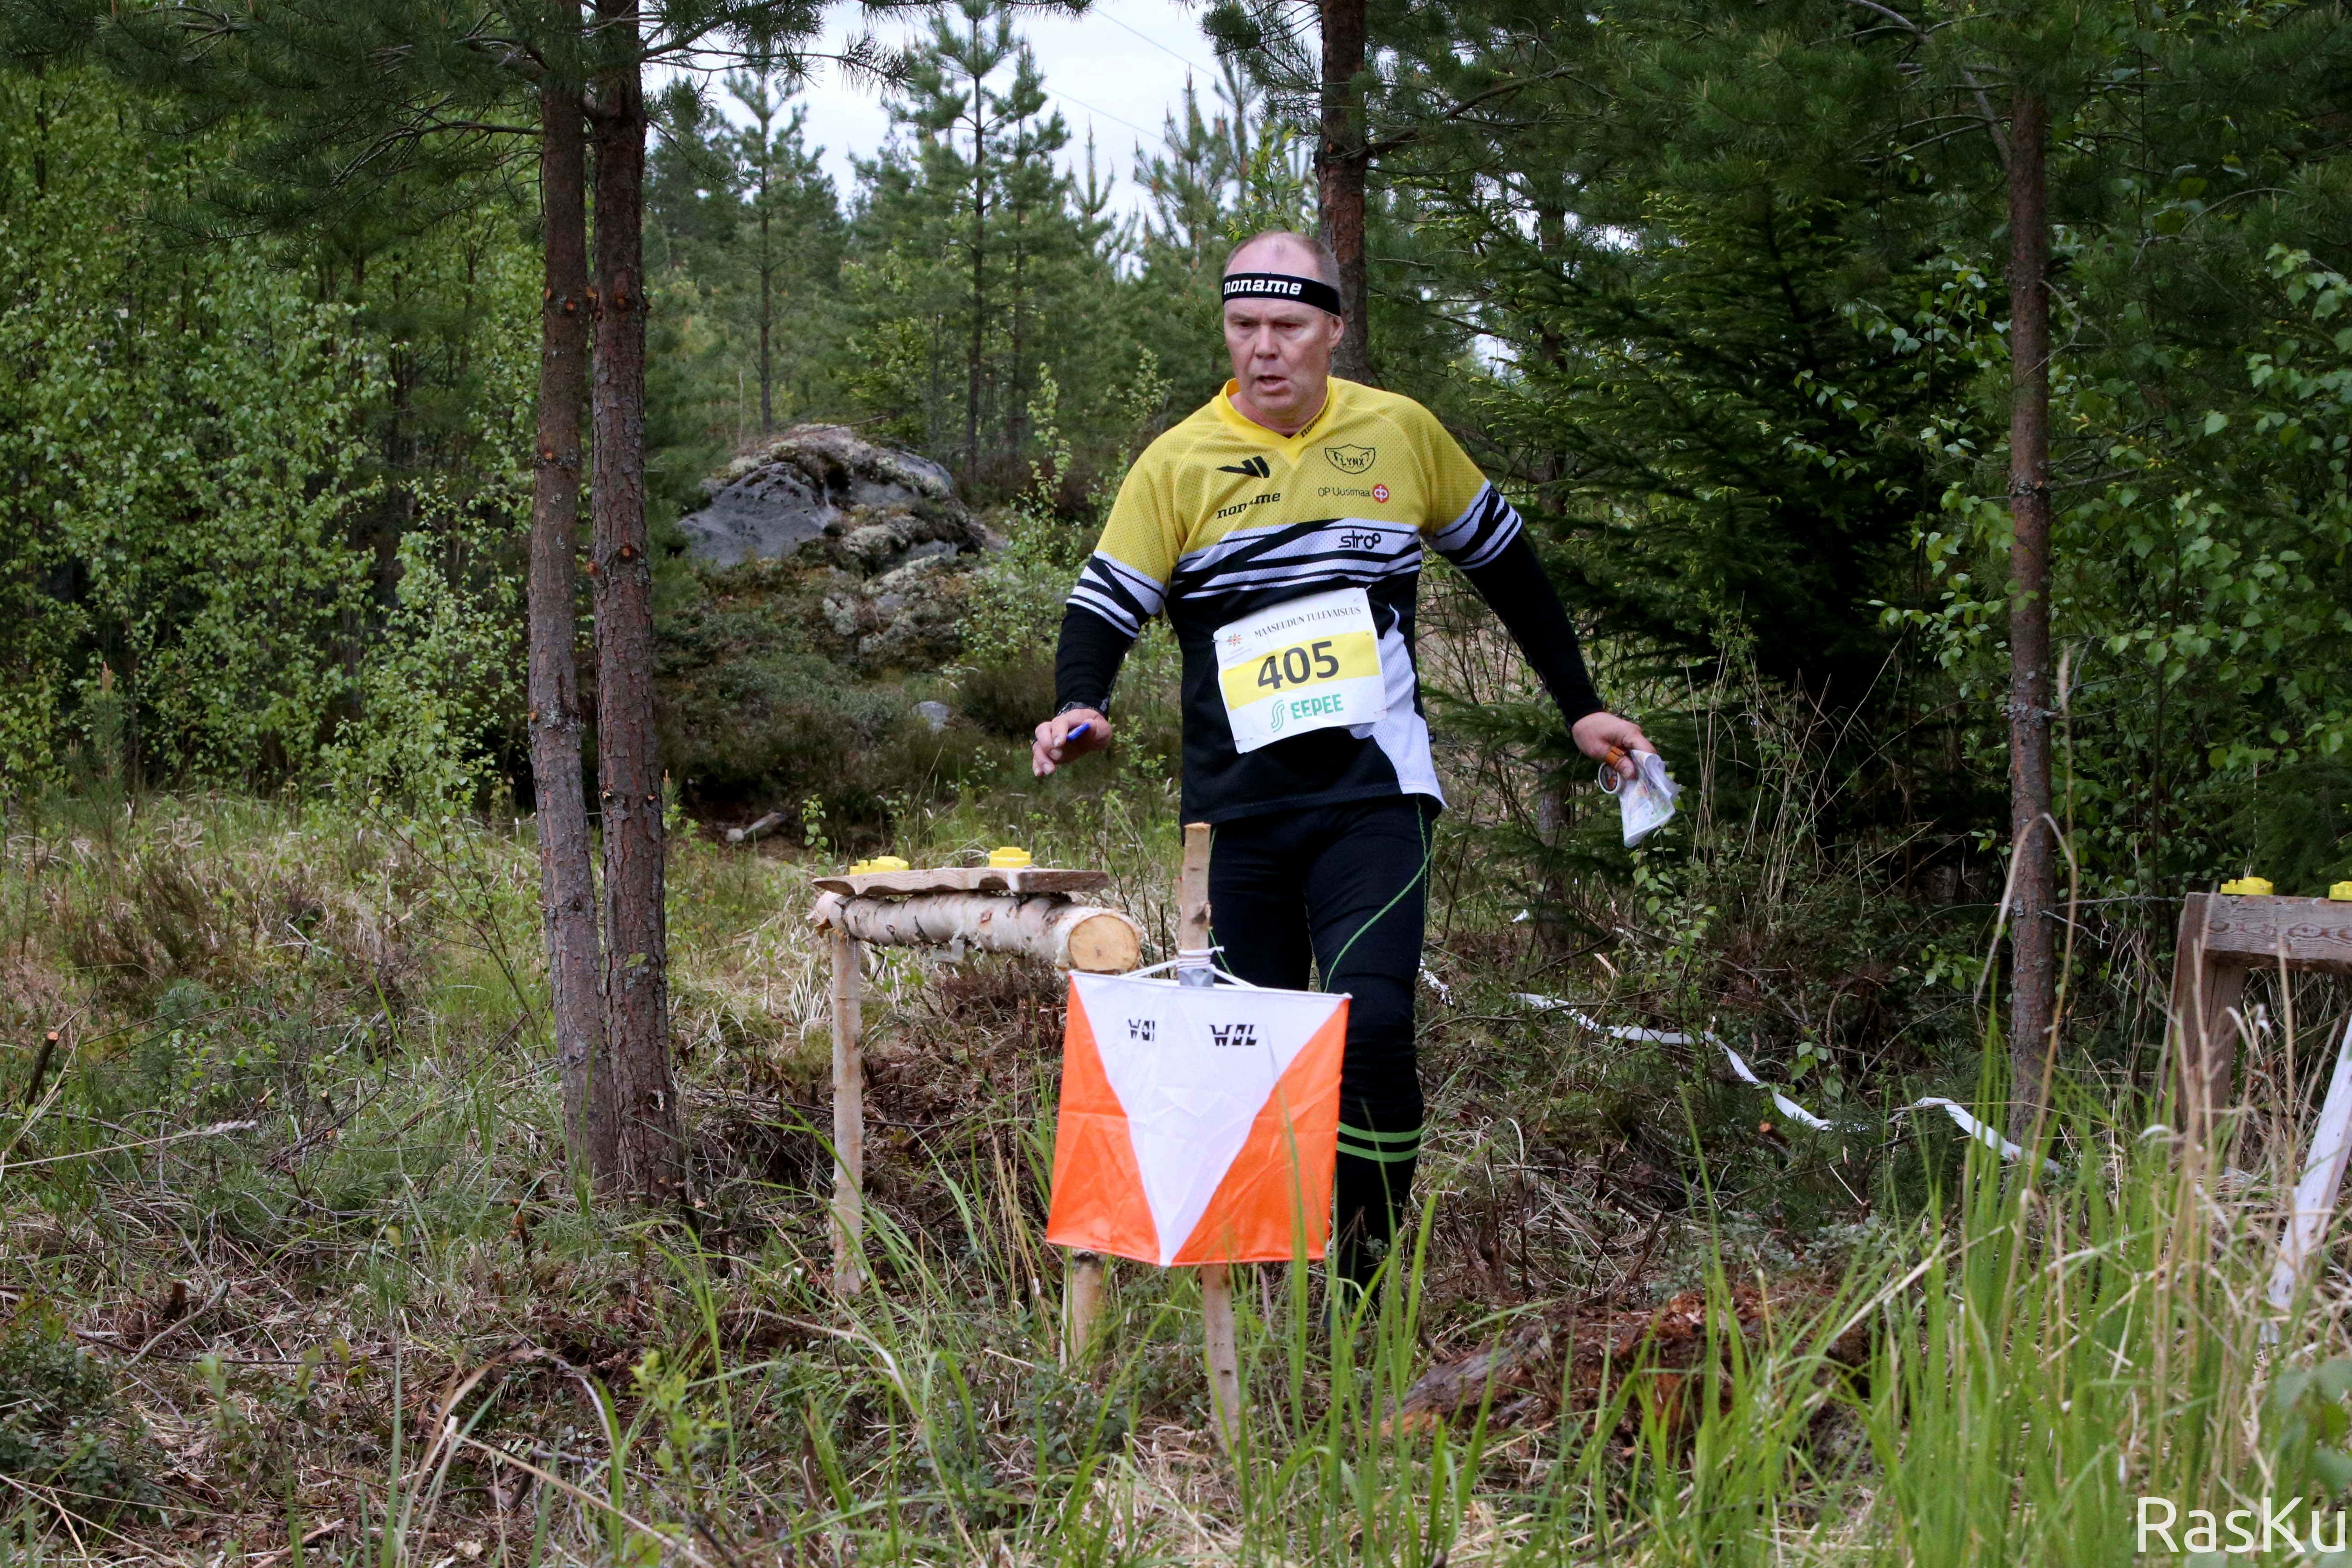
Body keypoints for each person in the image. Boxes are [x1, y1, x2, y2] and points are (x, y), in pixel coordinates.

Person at [1033, 230, 1653, 1295]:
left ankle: (1360, 1290)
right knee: (1260, 1053)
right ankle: (1274, 1275)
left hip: (1376, 795)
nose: (1262, 350)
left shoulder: (1401, 433)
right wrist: (1077, 704)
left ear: (1332, 328)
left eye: (1285, 326)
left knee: (1371, 1031)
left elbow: (1508, 563)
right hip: (1237, 813)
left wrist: (1580, 705)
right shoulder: (1179, 459)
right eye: (1242, 326)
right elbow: (1105, 603)